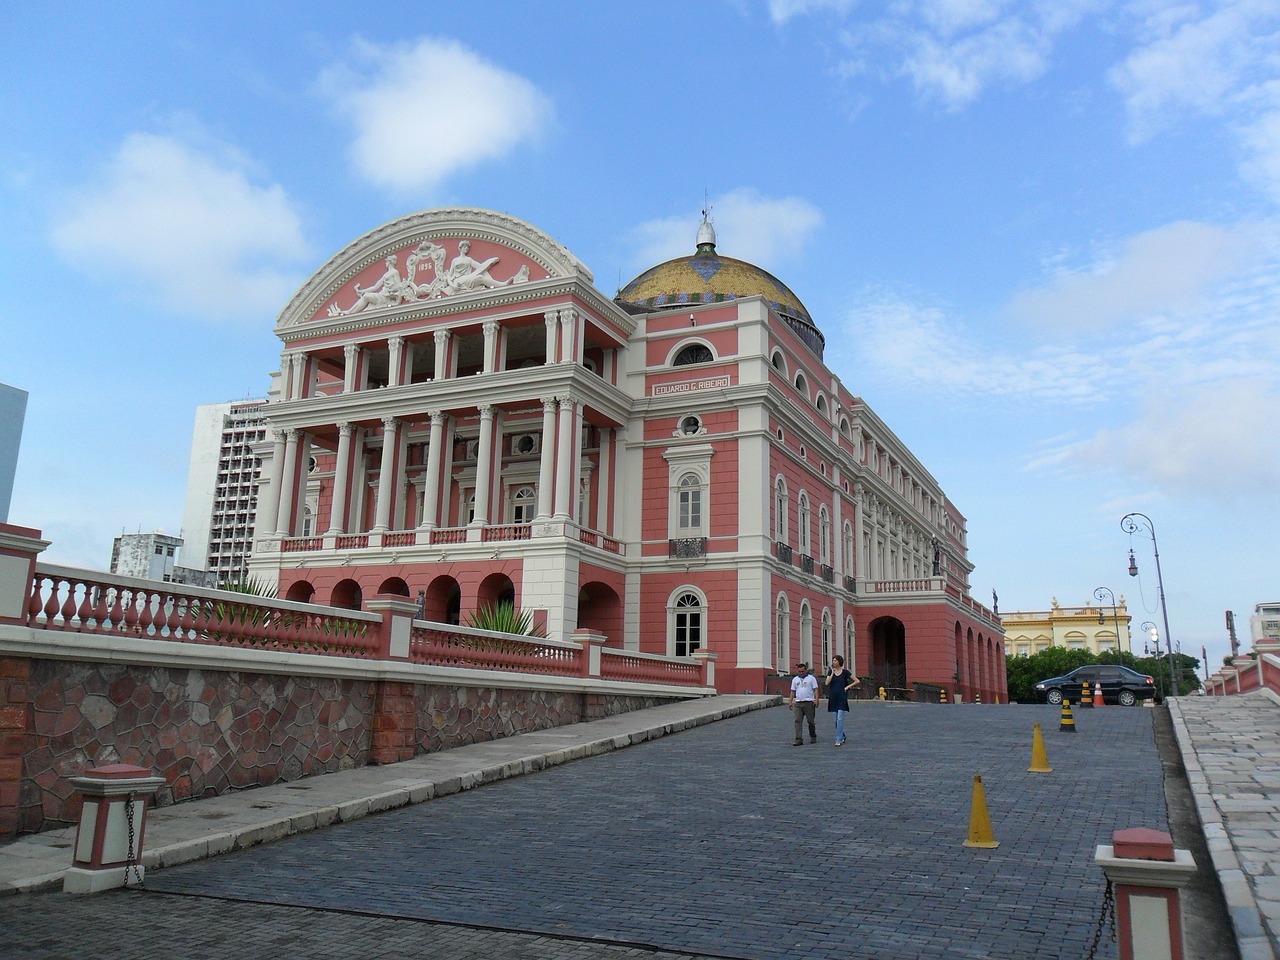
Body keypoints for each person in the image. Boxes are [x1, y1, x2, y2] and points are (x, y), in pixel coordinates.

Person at [825, 655, 860, 745]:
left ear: (839, 662)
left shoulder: (845, 672)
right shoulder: (830, 672)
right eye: (833, 660)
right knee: (836, 720)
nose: (834, 662)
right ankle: (842, 735)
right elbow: (827, 683)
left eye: (835, 660)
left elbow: (857, 681)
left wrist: (847, 687)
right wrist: (832, 673)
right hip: (833, 698)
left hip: (842, 697)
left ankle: (838, 739)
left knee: (840, 718)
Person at [788, 662, 820, 745]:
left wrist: (816, 700)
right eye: (799, 672)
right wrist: (790, 701)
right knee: (798, 720)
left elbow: (816, 689)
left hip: (809, 702)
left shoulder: (811, 678)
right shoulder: (795, 680)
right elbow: (793, 691)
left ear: (806, 670)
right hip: (798, 702)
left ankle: (813, 735)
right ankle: (799, 739)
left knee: (810, 721)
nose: (801, 673)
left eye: (803, 671)